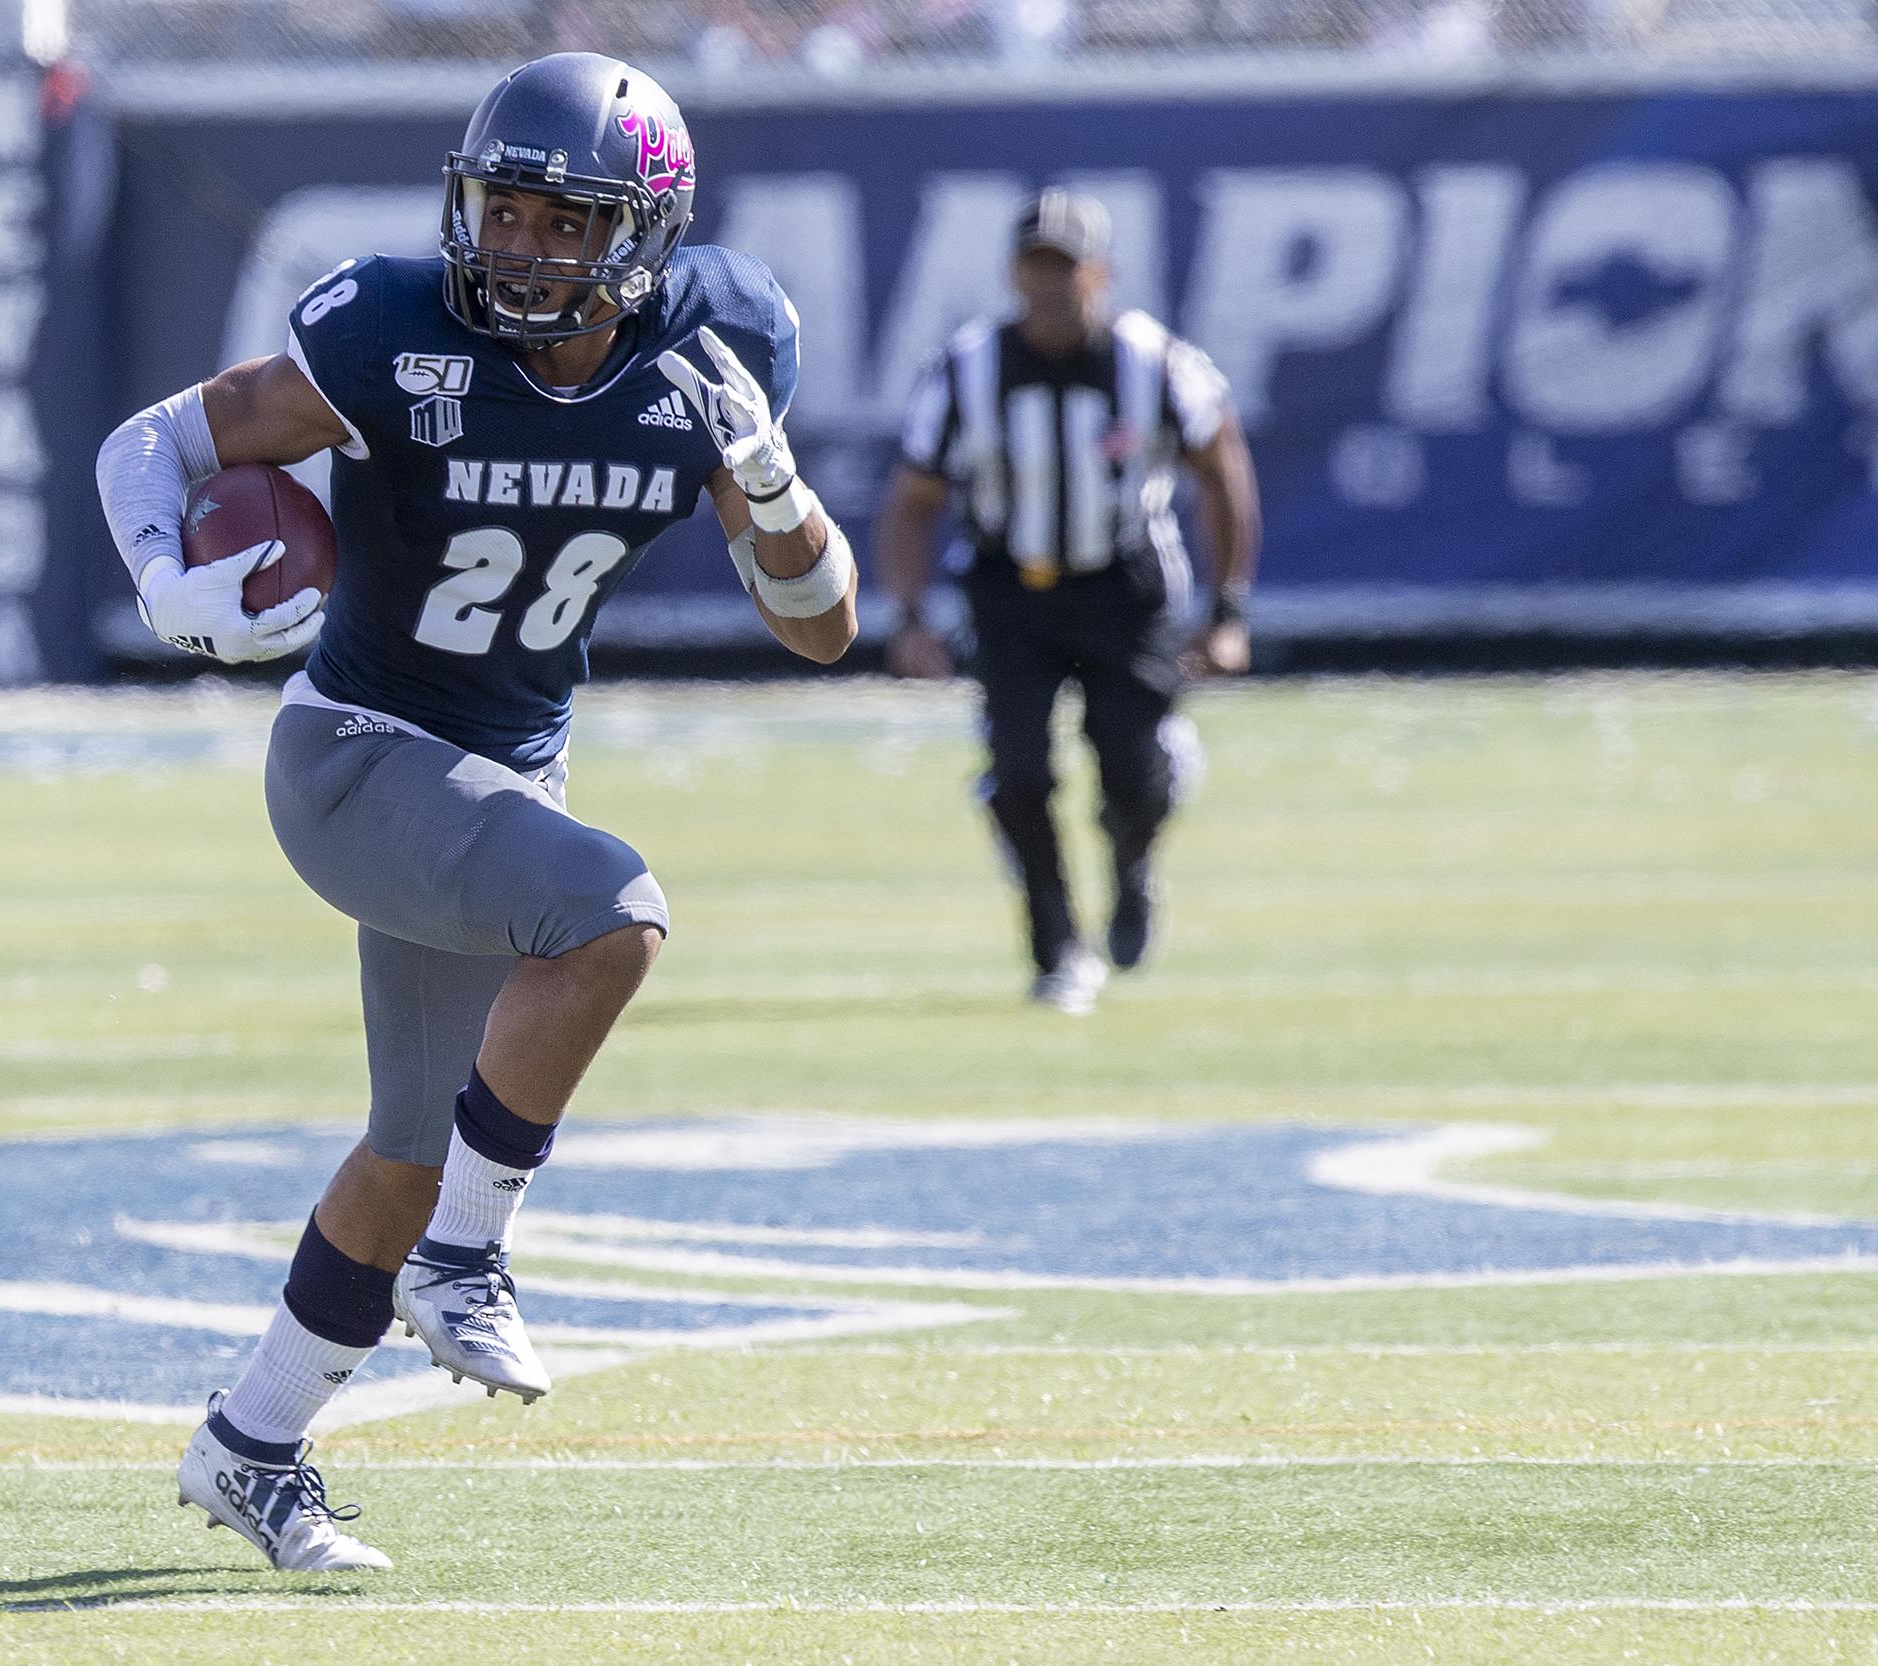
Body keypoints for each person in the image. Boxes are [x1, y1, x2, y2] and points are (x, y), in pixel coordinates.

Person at [92, 51, 856, 1571]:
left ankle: (251, 1442)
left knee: (405, 1144)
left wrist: (770, 486)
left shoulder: (723, 341)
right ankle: (469, 1255)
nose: (520, 248)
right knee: (614, 911)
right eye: (503, 211)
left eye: (564, 224)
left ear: (641, 237)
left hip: (503, 773)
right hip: (357, 749)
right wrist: (173, 588)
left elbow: (823, 629)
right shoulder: (393, 330)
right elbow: (153, 444)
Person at [877, 188, 1259, 1015]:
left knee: (1134, 773)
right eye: (1037, 266)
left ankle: (1133, 861)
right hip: (1011, 589)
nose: (1052, 286)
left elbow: (1222, 468)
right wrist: (910, 618)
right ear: (1014, 274)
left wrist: (1228, 609)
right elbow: (912, 498)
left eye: (1068, 267)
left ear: (1102, 274)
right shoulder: (965, 369)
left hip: (1124, 586)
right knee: (1016, 772)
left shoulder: (1154, 363)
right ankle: (1056, 946)